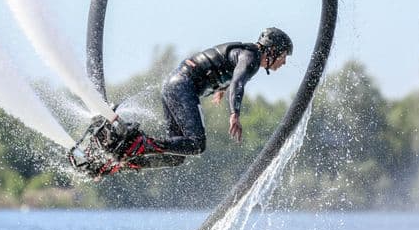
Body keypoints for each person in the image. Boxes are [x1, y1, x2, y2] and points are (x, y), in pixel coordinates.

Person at [108, 27, 293, 172]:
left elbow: (228, 70)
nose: (283, 62)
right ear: (273, 50)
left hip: (174, 85)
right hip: (182, 86)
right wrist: (234, 114)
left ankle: (126, 160)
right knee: (196, 144)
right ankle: (142, 143)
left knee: (176, 156)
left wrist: (221, 87)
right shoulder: (251, 57)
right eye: (283, 56)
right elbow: (238, 82)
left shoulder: (247, 55)